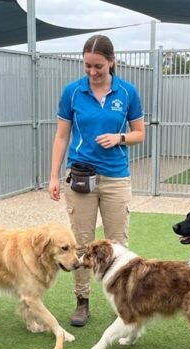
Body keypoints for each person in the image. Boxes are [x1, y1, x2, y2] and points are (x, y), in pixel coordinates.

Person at [48, 34, 145, 327]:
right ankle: (82, 301)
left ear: (111, 62)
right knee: (81, 245)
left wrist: (120, 137)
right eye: (87, 66)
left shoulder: (127, 92)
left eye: (98, 66)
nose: (92, 72)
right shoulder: (72, 92)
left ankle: (122, 300)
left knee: (118, 243)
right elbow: (61, 135)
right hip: (81, 177)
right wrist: (53, 176)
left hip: (116, 177)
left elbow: (140, 134)